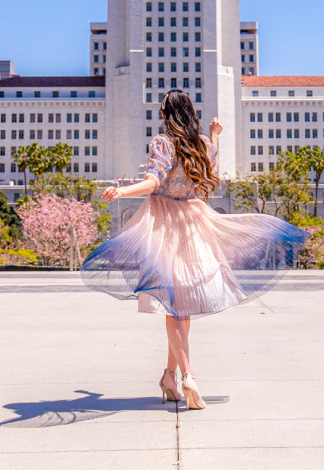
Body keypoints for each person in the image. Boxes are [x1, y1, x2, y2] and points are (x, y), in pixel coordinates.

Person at [81, 89, 308, 410]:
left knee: (175, 306)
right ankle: (168, 377)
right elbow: (210, 169)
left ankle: (188, 377)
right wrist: (214, 135)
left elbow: (152, 181)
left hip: (164, 225)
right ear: (190, 113)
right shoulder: (201, 144)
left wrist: (121, 191)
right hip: (192, 221)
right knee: (180, 306)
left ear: (164, 114)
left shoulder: (163, 142)